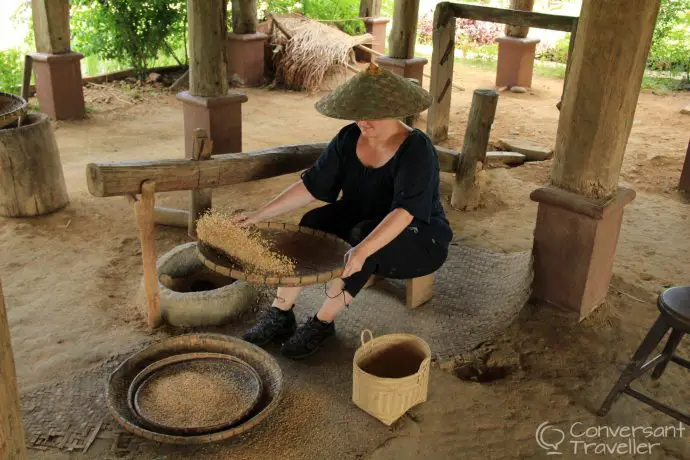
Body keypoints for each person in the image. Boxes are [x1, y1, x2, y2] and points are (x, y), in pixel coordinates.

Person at [232, 64, 453, 359]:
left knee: (365, 240)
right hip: (361, 218)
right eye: (357, 112)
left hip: (421, 237)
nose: (363, 121)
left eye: (372, 114)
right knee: (313, 221)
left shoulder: (417, 149)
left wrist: (361, 250)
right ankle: (280, 313)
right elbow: (312, 186)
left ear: (396, 110)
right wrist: (258, 215)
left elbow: (404, 212)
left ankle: (322, 323)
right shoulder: (348, 138)